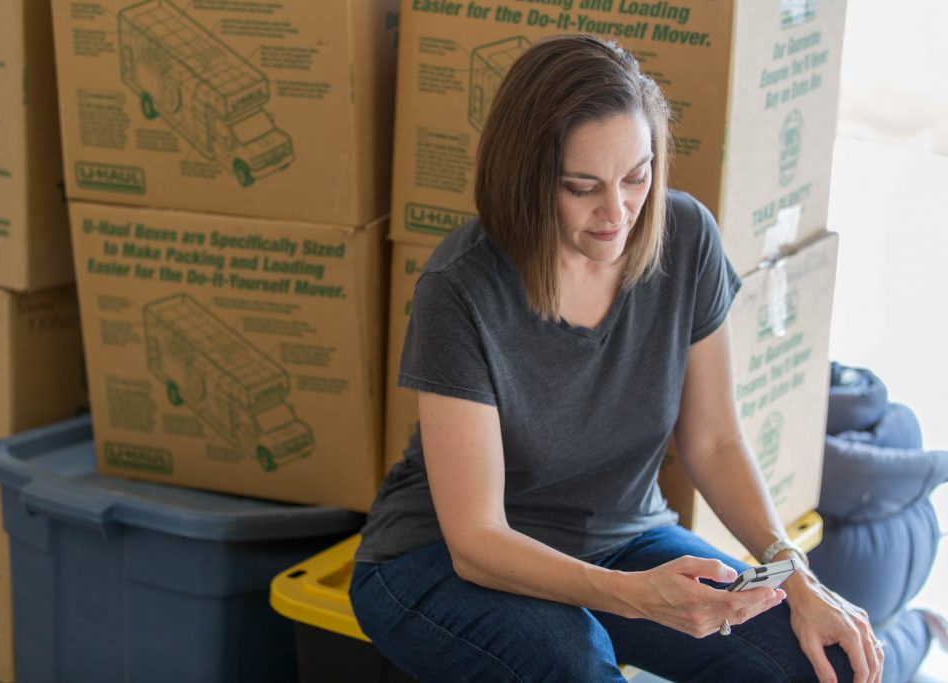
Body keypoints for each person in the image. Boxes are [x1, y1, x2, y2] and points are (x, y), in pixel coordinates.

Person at [350, 34, 885, 683]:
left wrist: (792, 572)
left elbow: (715, 442)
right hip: (438, 557)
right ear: (527, 180)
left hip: (622, 534)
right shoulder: (461, 288)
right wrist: (634, 595)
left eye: (637, 176)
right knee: (572, 662)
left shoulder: (686, 237)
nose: (618, 212)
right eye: (583, 187)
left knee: (815, 659)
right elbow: (476, 539)